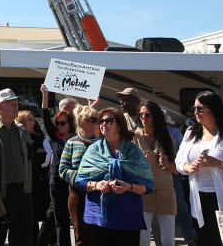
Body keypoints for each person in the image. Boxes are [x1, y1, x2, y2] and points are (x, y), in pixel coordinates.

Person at [174, 91, 223, 246]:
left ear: (214, 109)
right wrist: (188, 167)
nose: (195, 112)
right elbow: (178, 161)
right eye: (194, 108)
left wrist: (219, 163)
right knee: (203, 239)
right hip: (197, 199)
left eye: (200, 108)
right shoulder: (190, 133)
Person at [74, 107, 154, 244]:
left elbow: (148, 186)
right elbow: (80, 181)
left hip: (127, 219)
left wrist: (129, 187)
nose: (104, 124)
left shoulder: (133, 151)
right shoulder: (93, 150)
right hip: (97, 218)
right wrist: (97, 185)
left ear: (120, 125)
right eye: (101, 121)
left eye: (109, 121)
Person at [0, 88, 36, 246]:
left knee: (22, 239)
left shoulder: (22, 131)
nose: (16, 106)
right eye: (11, 103)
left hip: (22, 193)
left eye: (16, 103)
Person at [39, 85, 77, 246]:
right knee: (60, 220)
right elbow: (45, 116)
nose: (59, 126)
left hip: (75, 182)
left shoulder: (78, 139)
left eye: (62, 123)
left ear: (70, 124)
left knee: (77, 219)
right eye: (58, 124)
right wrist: (45, 95)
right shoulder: (55, 139)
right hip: (57, 181)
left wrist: (90, 104)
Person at [134, 101, 176, 246]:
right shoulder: (135, 137)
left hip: (166, 192)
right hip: (143, 193)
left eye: (147, 115)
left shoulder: (166, 136)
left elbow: (177, 169)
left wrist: (166, 164)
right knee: (143, 240)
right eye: (140, 114)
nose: (143, 118)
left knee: (168, 241)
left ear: (155, 116)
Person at [59, 104, 101, 246]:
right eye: (94, 119)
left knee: (98, 234)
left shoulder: (103, 143)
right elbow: (63, 169)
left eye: (98, 120)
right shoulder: (72, 142)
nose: (98, 123)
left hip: (99, 193)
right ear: (83, 122)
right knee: (81, 235)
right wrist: (82, 180)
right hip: (77, 193)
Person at [165, 113, 196, 246]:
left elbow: (181, 153)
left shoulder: (174, 132)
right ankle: (188, 237)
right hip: (167, 173)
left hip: (172, 172)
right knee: (179, 206)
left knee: (180, 206)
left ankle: (190, 236)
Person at [18, 109, 51, 230]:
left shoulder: (38, 139)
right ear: (21, 122)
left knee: (35, 220)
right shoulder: (16, 138)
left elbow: (43, 160)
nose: (34, 123)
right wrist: (34, 155)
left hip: (37, 185)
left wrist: (35, 156)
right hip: (21, 187)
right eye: (30, 120)